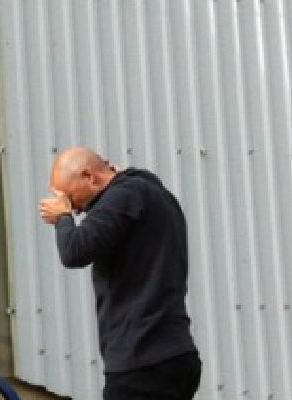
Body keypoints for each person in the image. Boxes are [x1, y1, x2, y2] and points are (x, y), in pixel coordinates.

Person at [38, 147, 201, 400]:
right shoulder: (153, 195)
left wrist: (62, 217)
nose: (77, 210)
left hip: (142, 362)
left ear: (89, 176)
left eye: (71, 198)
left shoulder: (125, 194)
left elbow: (74, 251)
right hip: (173, 353)